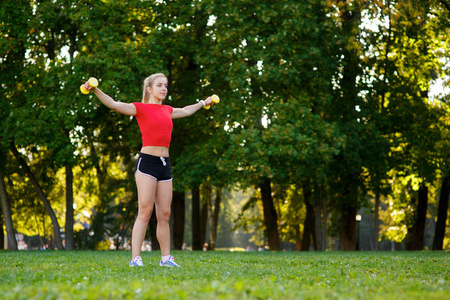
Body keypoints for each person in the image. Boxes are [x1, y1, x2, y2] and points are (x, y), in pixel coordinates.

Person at [83, 73, 215, 267]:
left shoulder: (168, 110)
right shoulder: (140, 108)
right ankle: (135, 258)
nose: (164, 88)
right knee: (145, 212)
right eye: (160, 85)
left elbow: (186, 110)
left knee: (165, 214)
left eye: (166, 85)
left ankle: (166, 259)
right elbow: (113, 103)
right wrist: (94, 89)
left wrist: (204, 103)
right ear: (149, 89)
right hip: (147, 163)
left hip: (165, 164)